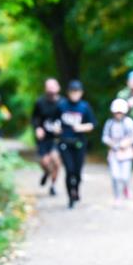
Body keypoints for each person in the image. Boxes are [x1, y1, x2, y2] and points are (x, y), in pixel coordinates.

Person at [56, 80, 96, 209]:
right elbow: (53, 121)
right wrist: (56, 128)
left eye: (77, 92)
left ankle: (76, 189)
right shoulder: (61, 106)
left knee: (77, 172)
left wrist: (81, 127)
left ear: (81, 93)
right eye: (72, 92)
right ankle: (70, 197)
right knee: (69, 170)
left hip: (79, 143)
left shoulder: (84, 107)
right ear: (68, 93)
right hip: (65, 143)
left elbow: (92, 124)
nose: (75, 94)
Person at [102, 98, 133, 203]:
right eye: (116, 112)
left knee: (125, 176)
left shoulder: (129, 122)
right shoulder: (109, 123)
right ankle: (117, 197)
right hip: (114, 153)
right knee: (115, 176)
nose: (118, 114)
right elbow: (105, 137)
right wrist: (112, 144)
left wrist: (126, 143)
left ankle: (126, 188)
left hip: (126, 153)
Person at [31, 79, 62, 196]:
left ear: (58, 88)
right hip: (44, 138)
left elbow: (67, 118)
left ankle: (53, 186)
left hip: (57, 138)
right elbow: (34, 119)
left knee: (56, 161)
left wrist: (63, 129)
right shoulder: (40, 102)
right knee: (44, 162)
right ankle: (47, 173)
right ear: (45, 89)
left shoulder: (63, 103)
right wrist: (37, 128)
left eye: (53, 87)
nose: (51, 90)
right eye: (49, 87)